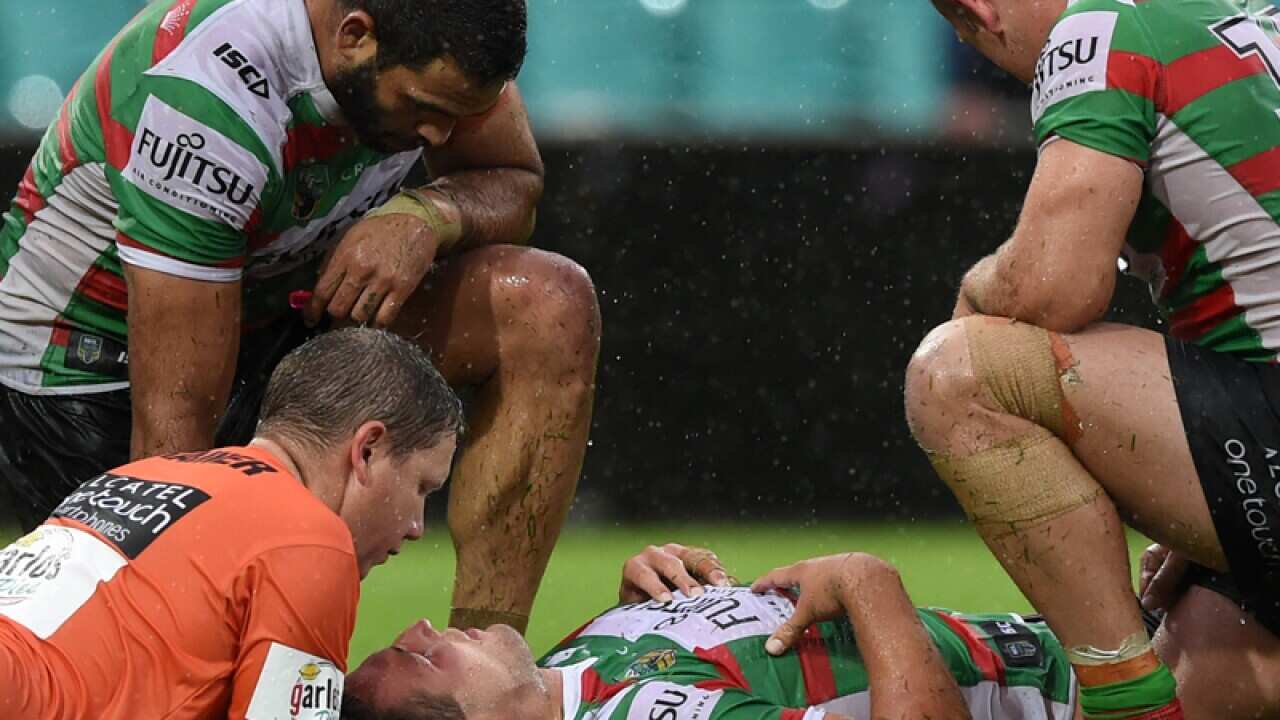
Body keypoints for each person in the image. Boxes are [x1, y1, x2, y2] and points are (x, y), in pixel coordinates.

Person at [0, 0, 600, 635]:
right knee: (178, 619)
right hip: (92, 371)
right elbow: (171, 448)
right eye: (425, 110)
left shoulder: (440, 38)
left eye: (462, 116)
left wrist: (428, 215)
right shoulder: (207, 98)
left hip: (275, 319)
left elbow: (510, 175)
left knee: (545, 309)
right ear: (354, 36)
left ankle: (487, 667)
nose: (440, 139)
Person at [907, 0, 1280, 717]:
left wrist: (973, 291)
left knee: (957, 373)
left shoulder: (1098, 31)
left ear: (975, 11)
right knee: (1201, 661)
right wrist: (1212, 514)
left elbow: (1053, 285)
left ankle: (1126, 702)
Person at [0, 327, 462, 718]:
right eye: (421, 487)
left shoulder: (139, 473)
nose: (417, 527)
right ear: (367, 450)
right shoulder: (311, 541)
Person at [340, 544, 1080, 720]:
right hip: (1085, 692)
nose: (422, 624)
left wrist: (644, 605)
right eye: (421, 657)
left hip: (1068, 636)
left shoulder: (564, 676)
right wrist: (867, 583)